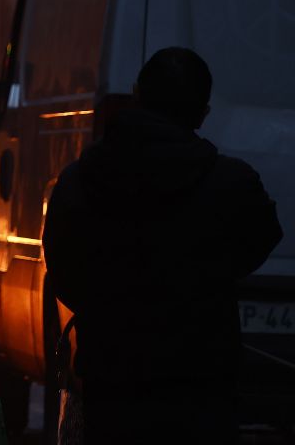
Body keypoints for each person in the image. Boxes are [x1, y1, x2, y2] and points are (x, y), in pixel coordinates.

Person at [43, 47, 282, 444]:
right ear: (202, 113)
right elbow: (260, 241)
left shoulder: (79, 182)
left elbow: (63, 270)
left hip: (111, 381)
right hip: (202, 385)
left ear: (137, 93)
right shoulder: (233, 185)